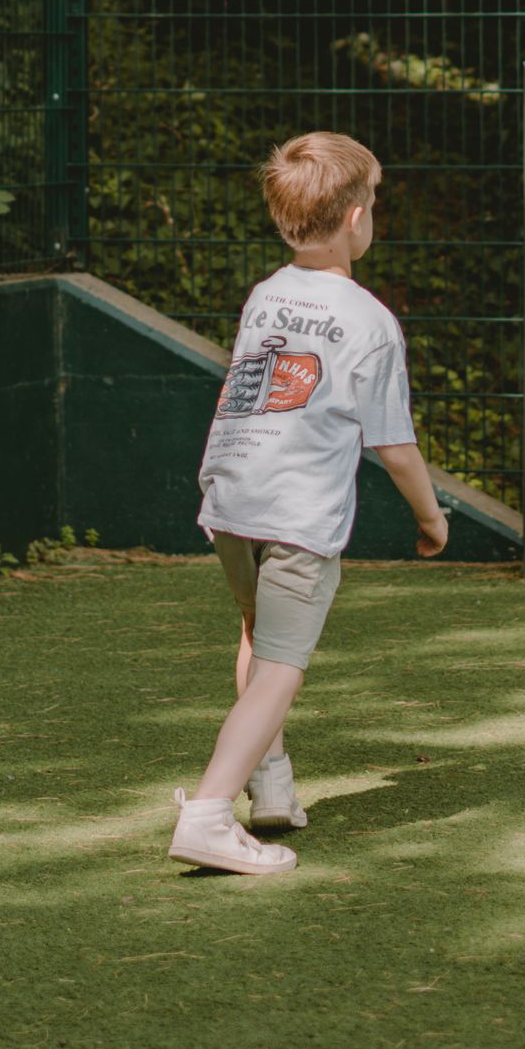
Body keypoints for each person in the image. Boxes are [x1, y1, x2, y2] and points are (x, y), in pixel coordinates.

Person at [168, 131, 448, 874]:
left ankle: (272, 783)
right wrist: (430, 517)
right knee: (283, 665)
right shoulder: (369, 321)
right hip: (296, 515)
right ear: (357, 218)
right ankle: (206, 814)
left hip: (229, 497)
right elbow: (393, 445)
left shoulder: (265, 295)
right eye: (375, 201)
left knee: (259, 633)